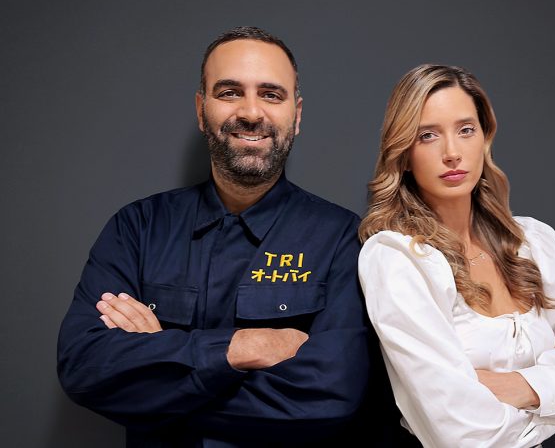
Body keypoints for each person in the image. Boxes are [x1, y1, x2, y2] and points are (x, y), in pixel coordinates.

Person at [57, 26, 403, 447]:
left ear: (296, 115)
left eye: (271, 94)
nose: (251, 112)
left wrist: (161, 370)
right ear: (201, 110)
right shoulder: (137, 228)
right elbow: (83, 366)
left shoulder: (342, 239)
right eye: (230, 92)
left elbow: (331, 395)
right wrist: (243, 346)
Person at [358, 64, 555, 447]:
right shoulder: (397, 258)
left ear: (484, 137)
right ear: (403, 153)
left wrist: (514, 386)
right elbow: (461, 433)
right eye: (428, 135)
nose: (452, 153)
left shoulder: (533, 242)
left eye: (466, 130)